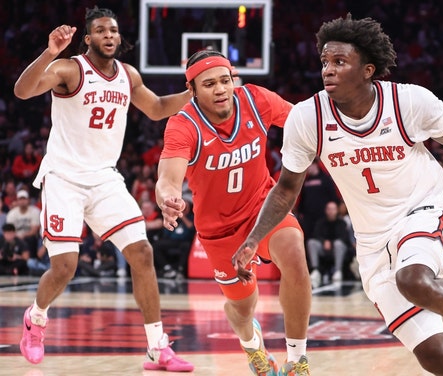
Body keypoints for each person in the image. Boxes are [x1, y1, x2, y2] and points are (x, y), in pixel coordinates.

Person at [233, 15, 443, 376]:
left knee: (412, 279)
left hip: (423, 209)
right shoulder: (308, 118)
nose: (327, 71)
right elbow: (286, 188)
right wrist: (254, 239)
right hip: (371, 243)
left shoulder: (408, 101)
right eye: (324, 63)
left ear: (368, 70)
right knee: (437, 359)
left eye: (339, 62)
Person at [12, 7, 193, 371]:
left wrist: (194, 94)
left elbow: (157, 108)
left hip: (104, 178)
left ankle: (158, 348)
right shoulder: (70, 69)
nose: (109, 35)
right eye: (101, 30)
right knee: (65, 267)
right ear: (88, 38)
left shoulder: (128, 75)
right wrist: (50, 52)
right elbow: (22, 90)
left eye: (113, 30)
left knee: (142, 253)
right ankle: (36, 319)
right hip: (64, 177)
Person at [155, 49, 311, 375]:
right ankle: (251, 344)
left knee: (295, 255)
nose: (221, 89)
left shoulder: (256, 99)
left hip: (263, 208)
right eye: (209, 84)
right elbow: (168, 179)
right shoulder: (183, 125)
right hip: (219, 230)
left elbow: (305, 122)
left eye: (225, 80)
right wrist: (168, 197)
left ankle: (297, 360)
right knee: (242, 308)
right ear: (192, 90)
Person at [307, 200, 352, 287]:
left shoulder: (342, 223)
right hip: (324, 249)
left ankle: (338, 271)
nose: (331, 211)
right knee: (311, 243)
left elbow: (344, 238)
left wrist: (331, 243)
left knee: (338, 244)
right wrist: (324, 242)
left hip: (338, 249)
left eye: (333, 209)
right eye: (329, 209)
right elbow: (316, 234)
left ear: (337, 210)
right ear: (326, 210)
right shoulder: (321, 222)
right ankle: (315, 270)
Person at [5, 189, 41, 254]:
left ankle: (31, 259)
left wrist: (23, 235)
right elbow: (9, 230)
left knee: (30, 239)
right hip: (15, 237)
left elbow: (34, 231)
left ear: (28, 200)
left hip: (29, 237)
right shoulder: (11, 213)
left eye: (24, 199)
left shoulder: (35, 211)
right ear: (17, 201)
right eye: (20, 199)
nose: (22, 201)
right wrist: (17, 236)